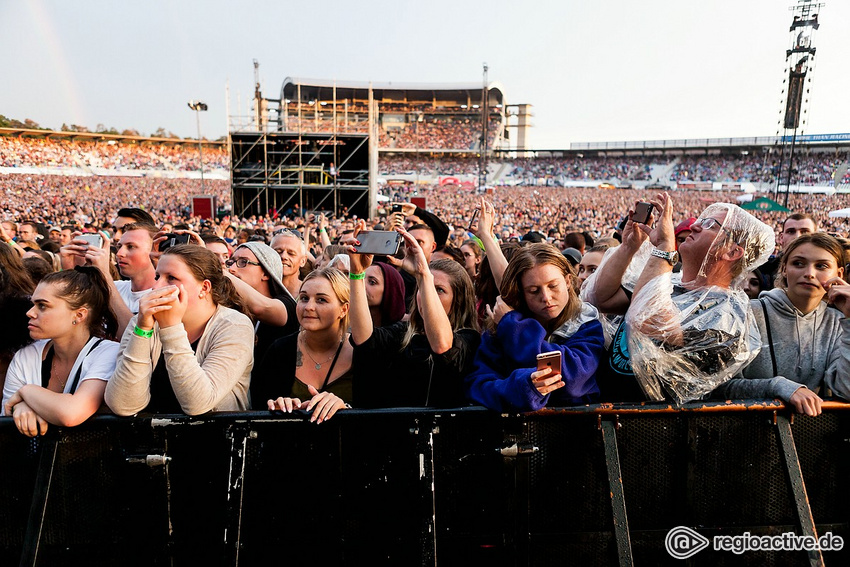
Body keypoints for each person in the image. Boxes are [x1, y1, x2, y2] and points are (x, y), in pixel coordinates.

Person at [582, 194, 775, 403]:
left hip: (648, 427)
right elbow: (601, 298)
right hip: (603, 411)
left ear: (732, 251)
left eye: (711, 225)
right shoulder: (667, 281)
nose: (695, 227)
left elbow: (648, 320)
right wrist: (629, 247)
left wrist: (665, 247)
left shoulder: (729, 315)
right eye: (700, 220)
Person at [105, 245, 254, 415]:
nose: (156, 287)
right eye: (157, 277)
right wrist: (142, 330)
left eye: (171, 278)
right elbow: (123, 405)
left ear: (204, 288)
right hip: (149, 438)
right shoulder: (142, 322)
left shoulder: (234, 326)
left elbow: (198, 403)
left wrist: (171, 328)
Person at [347, 223, 480, 408]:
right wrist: (357, 273)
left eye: (439, 290)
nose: (426, 295)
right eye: (423, 289)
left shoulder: (470, 338)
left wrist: (424, 275)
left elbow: (443, 346)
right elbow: (364, 339)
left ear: (458, 299)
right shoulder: (405, 332)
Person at [714, 233, 850, 416]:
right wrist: (777, 386)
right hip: (743, 432)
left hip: (809, 436)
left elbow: (846, 389)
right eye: (798, 264)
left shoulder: (838, 323)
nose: (809, 273)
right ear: (784, 269)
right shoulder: (746, 313)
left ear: (839, 274)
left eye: (821, 266)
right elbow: (718, 386)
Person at [464, 244, 604, 412]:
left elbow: (573, 376)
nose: (546, 297)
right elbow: (478, 385)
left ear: (567, 281)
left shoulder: (586, 323)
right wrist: (523, 387)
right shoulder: (499, 326)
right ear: (520, 292)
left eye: (553, 286)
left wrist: (514, 328)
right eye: (533, 290)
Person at [2, 267, 120, 437]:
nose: (30, 313)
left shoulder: (107, 353)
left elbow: (71, 413)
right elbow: (8, 409)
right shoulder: (26, 356)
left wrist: (26, 392)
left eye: (42, 306)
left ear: (79, 315)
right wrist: (20, 406)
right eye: (33, 304)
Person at [255, 268, 353, 422]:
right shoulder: (279, 350)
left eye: (321, 300)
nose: (309, 307)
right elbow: (256, 407)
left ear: (344, 309)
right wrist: (277, 408)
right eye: (304, 298)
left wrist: (345, 408)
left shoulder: (361, 353)